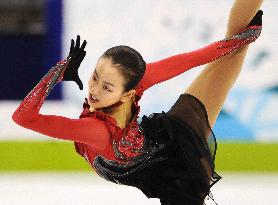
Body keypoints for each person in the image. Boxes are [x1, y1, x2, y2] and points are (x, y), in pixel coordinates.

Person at [12, 1, 263, 204]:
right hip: (164, 173)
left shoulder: (117, 106)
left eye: (107, 87)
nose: (94, 91)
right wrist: (60, 71)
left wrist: (240, 39)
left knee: (234, 49)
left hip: (171, 149)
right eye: (95, 77)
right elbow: (22, 117)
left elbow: (191, 59)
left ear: (129, 93)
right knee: (234, 48)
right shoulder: (100, 125)